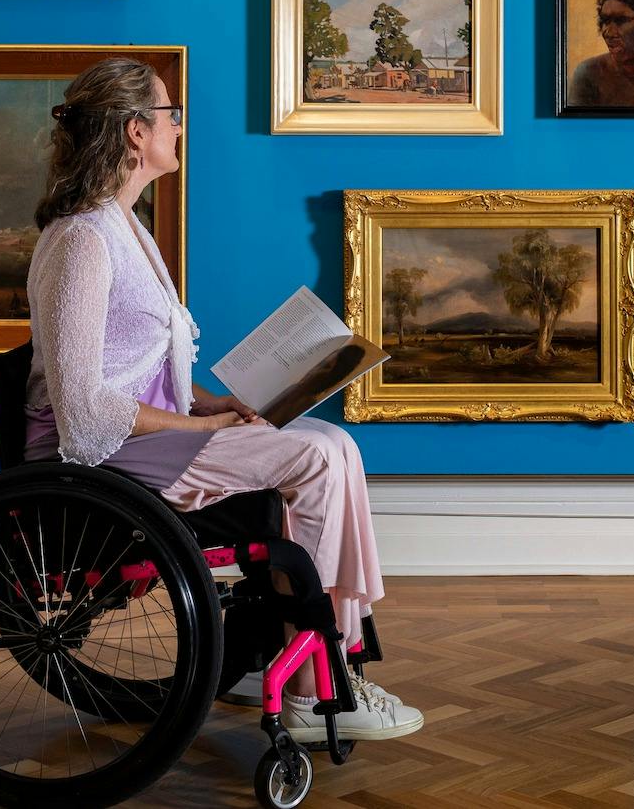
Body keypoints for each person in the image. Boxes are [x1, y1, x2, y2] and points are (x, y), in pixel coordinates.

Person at [21, 57, 422, 744]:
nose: (181, 126)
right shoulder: (83, 240)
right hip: (104, 458)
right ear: (134, 133)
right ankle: (310, 688)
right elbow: (86, 410)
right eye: (172, 114)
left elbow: (140, 367)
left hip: (147, 441)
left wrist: (215, 406)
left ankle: (333, 663)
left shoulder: (128, 230)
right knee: (319, 459)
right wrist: (190, 420)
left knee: (332, 441)